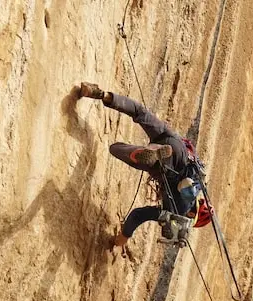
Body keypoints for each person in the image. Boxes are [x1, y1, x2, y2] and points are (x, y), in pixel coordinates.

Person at [78, 82, 212, 247]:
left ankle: (100, 94)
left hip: (174, 141)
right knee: (115, 149)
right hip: (165, 167)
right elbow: (138, 215)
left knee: (139, 112)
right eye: (191, 218)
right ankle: (148, 153)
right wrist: (124, 236)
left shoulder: (198, 179)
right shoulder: (178, 210)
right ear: (193, 214)